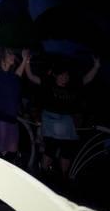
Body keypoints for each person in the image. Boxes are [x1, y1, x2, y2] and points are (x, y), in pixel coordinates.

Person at [23, 51, 100, 180]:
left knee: (67, 150)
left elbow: (86, 79)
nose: (66, 77)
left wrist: (96, 66)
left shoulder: (72, 86)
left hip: (66, 121)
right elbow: (31, 76)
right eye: (63, 75)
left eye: (67, 75)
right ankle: (43, 174)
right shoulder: (48, 83)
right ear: (56, 75)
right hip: (51, 119)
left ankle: (64, 177)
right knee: (50, 149)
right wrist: (27, 61)